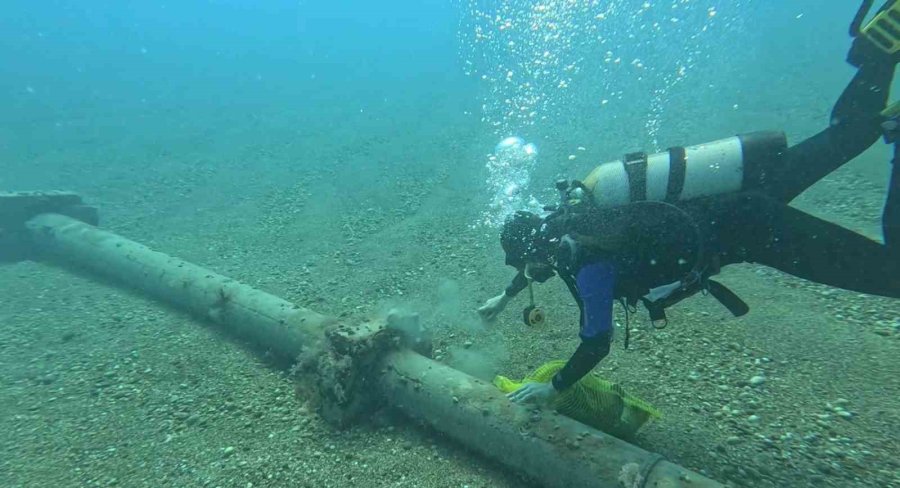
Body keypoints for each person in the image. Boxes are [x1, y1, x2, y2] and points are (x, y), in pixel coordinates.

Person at [479, 2, 900, 405]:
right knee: (852, 134)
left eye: (531, 269)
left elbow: (597, 342)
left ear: (539, 250)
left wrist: (554, 387)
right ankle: (880, 53)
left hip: (754, 229)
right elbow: (534, 257)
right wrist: (504, 297)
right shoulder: (571, 214)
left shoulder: (588, 263)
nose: (536, 276)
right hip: (740, 189)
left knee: (893, 274)